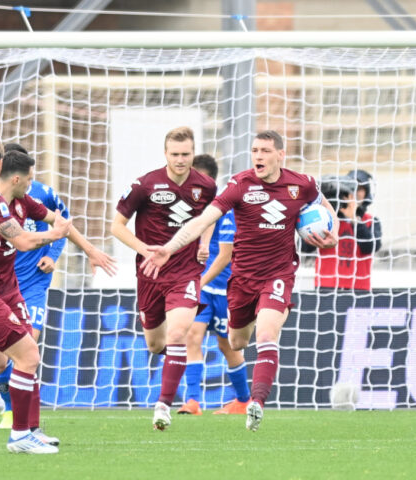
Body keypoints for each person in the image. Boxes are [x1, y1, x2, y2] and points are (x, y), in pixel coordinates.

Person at [141, 130, 338, 432]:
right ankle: (239, 393)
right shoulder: (240, 185)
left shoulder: (303, 184)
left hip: (278, 274)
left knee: (267, 335)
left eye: (265, 151)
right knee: (237, 342)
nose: (258, 156)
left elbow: (327, 209)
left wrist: (333, 233)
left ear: (280, 155)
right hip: (242, 279)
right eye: (255, 150)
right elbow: (202, 220)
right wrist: (169, 248)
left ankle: (256, 404)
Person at [0, 137, 112, 455]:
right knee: (28, 356)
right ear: (3, 168)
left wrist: (72, 234)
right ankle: (20, 435)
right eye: (28, 177)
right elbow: (25, 242)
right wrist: (53, 236)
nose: (32, 182)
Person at [111, 126, 217, 430]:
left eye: (186, 154)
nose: (181, 160)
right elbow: (116, 226)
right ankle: (178, 361)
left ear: (193, 153)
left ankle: (163, 406)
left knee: (177, 334)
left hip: (185, 271)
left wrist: (205, 242)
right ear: (165, 154)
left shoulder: (206, 186)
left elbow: (211, 216)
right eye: (175, 154)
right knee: (157, 344)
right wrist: (146, 250)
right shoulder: (144, 185)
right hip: (150, 273)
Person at [0, 143, 70, 430]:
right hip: (1, 284)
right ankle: (10, 409)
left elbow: (63, 223)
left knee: (27, 348)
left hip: (34, 284)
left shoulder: (42, 194)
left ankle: (26, 422)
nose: (29, 179)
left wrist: (53, 255)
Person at [177, 154, 250, 416]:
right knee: (191, 336)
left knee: (226, 345)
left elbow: (225, 256)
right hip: (202, 288)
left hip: (225, 289)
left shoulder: (225, 208)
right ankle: (193, 401)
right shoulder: (188, 207)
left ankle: (243, 400)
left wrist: (199, 280)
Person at [300, 174, 382, 290]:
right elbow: (304, 247)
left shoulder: (370, 221)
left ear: (366, 193)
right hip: (327, 285)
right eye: (352, 190)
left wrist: (354, 220)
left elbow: (370, 248)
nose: (355, 194)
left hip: (358, 286)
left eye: (360, 189)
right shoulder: (327, 220)